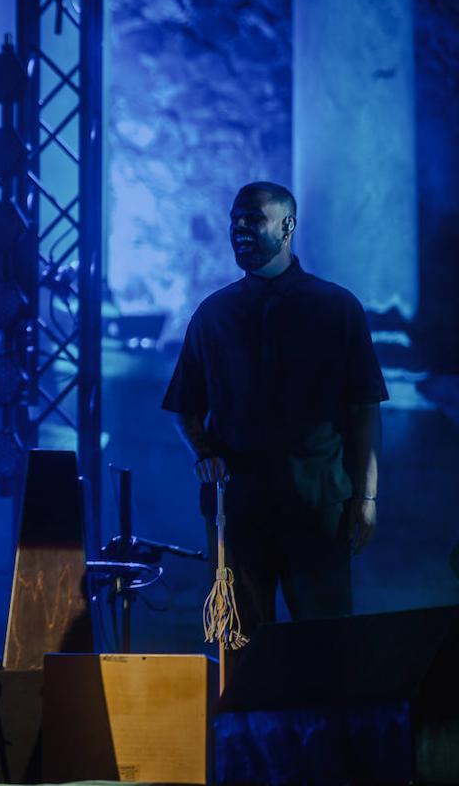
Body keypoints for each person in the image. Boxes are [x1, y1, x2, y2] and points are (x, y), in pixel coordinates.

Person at [162, 181, 387, 655]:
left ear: (287, 226)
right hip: (239, 512)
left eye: (253, 219)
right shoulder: (214, 314)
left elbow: (364, 409)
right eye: (235, 219)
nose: (239, 229)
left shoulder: (337, 308)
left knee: (326, 649)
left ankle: (326, 731)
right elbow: (184, 405)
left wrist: (366, 497)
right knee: (240, 649)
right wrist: (203, 453)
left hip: (319, 506)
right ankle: (244, 730)